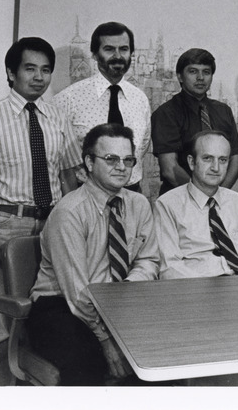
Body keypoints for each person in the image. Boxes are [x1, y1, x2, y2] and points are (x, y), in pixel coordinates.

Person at [0, 37, 79, 385]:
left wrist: (74, 226)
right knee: (5, 321)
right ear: (11, 73)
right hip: (8, 224)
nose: (39, 77)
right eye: (30, 69)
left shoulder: (58, 116)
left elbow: (68, 175)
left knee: (51, 311)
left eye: (45, 70)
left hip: (52, 223)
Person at [27, 123, 159, 386]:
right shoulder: (69, 212)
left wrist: (125, 293)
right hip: (61, 306)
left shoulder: (139, 204)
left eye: (128, 160)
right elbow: (77, 292)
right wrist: (107, 339)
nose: (121, 167)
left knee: (160, 350)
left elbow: (148, 261)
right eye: (110, 159)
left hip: (118, 302)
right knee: (88, 360)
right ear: (89, 162)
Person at [155, 130, 238, 278]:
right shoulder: (168, 205)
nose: (216, 167)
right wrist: (206, 289)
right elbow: (170, 267)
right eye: (207, 159)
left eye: (223, 160)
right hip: (195, 287)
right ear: (191, 162)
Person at [53, 21, 151, 192]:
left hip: (131, 193)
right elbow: (58, 157)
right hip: (86, 194)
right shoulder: (68, 99)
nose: (118, 56)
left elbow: (142, 146)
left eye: (124, 49)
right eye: (109, 49)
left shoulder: (140, 99)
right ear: (95, 54)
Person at [151, 48, 238, 196]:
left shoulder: (224, 111)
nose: (200, 78)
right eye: (193, 71)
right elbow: (169, 168)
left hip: (219, 199)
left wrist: (217, 195)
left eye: (206, 72)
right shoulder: (166, 113)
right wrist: (200, 196)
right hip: (179, 198)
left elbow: (235, 160)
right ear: (180, 77)